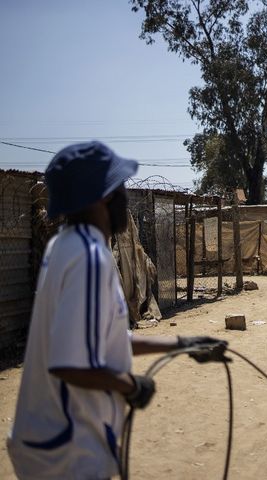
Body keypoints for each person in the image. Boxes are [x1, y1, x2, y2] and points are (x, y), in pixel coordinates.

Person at [6, 142, 227, 479]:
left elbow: (99, 340)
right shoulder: (90, 258)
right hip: (66, 454)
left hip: (45, 443)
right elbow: (71, 364)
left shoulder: (64, 246)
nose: (125, 195)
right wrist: (131, 386)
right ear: (104, 196)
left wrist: (181, 344)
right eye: (120, 185)